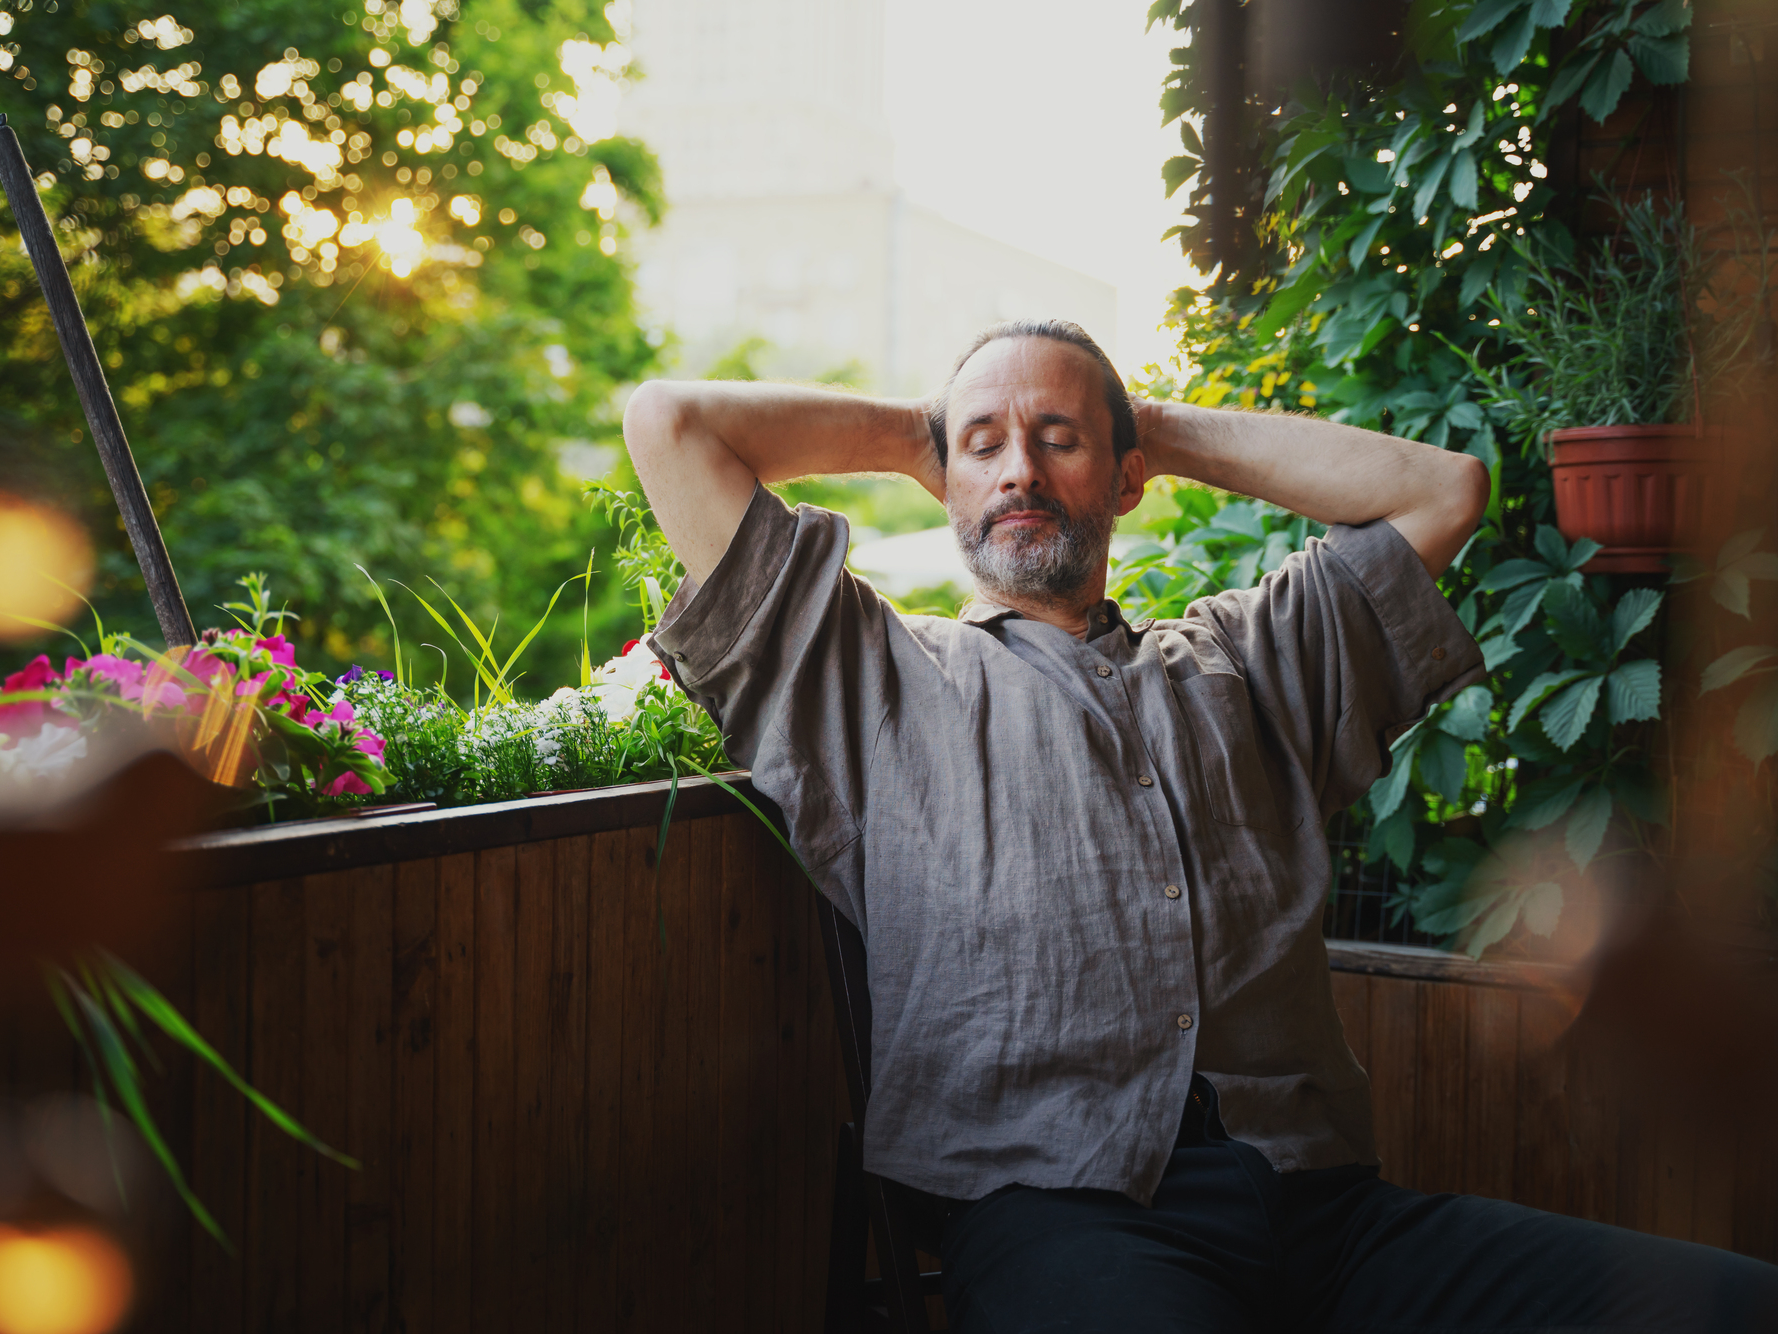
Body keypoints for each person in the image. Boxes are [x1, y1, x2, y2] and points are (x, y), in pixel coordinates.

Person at [622, 319, 1778, 1332]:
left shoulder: (1248, 660)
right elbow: (668, 422)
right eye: (983, 448)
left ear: (1127, 480)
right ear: (943, 477)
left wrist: (1143, 420)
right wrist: (932, 428)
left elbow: (1442, 489)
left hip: (1324, 1212)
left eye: (1059, 441)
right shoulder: (866, 673)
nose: (1018, 468)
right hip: (1058, 1217)